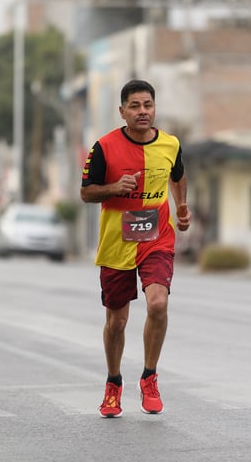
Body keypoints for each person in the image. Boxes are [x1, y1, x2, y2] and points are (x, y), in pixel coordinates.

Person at [80, 79, 192, 418]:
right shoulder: (104, 147)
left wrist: (182, 207)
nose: (142, 112)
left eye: (148, 105)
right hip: (117, 242)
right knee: (117, 321)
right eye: (135, 106)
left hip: (157, 237)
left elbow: (178, 174)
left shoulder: (170, 144)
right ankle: (114, 383)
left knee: (158, 303)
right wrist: (114, 187)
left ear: (154, 109)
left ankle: (149, 376)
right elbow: (86, 193)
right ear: (122, 111)